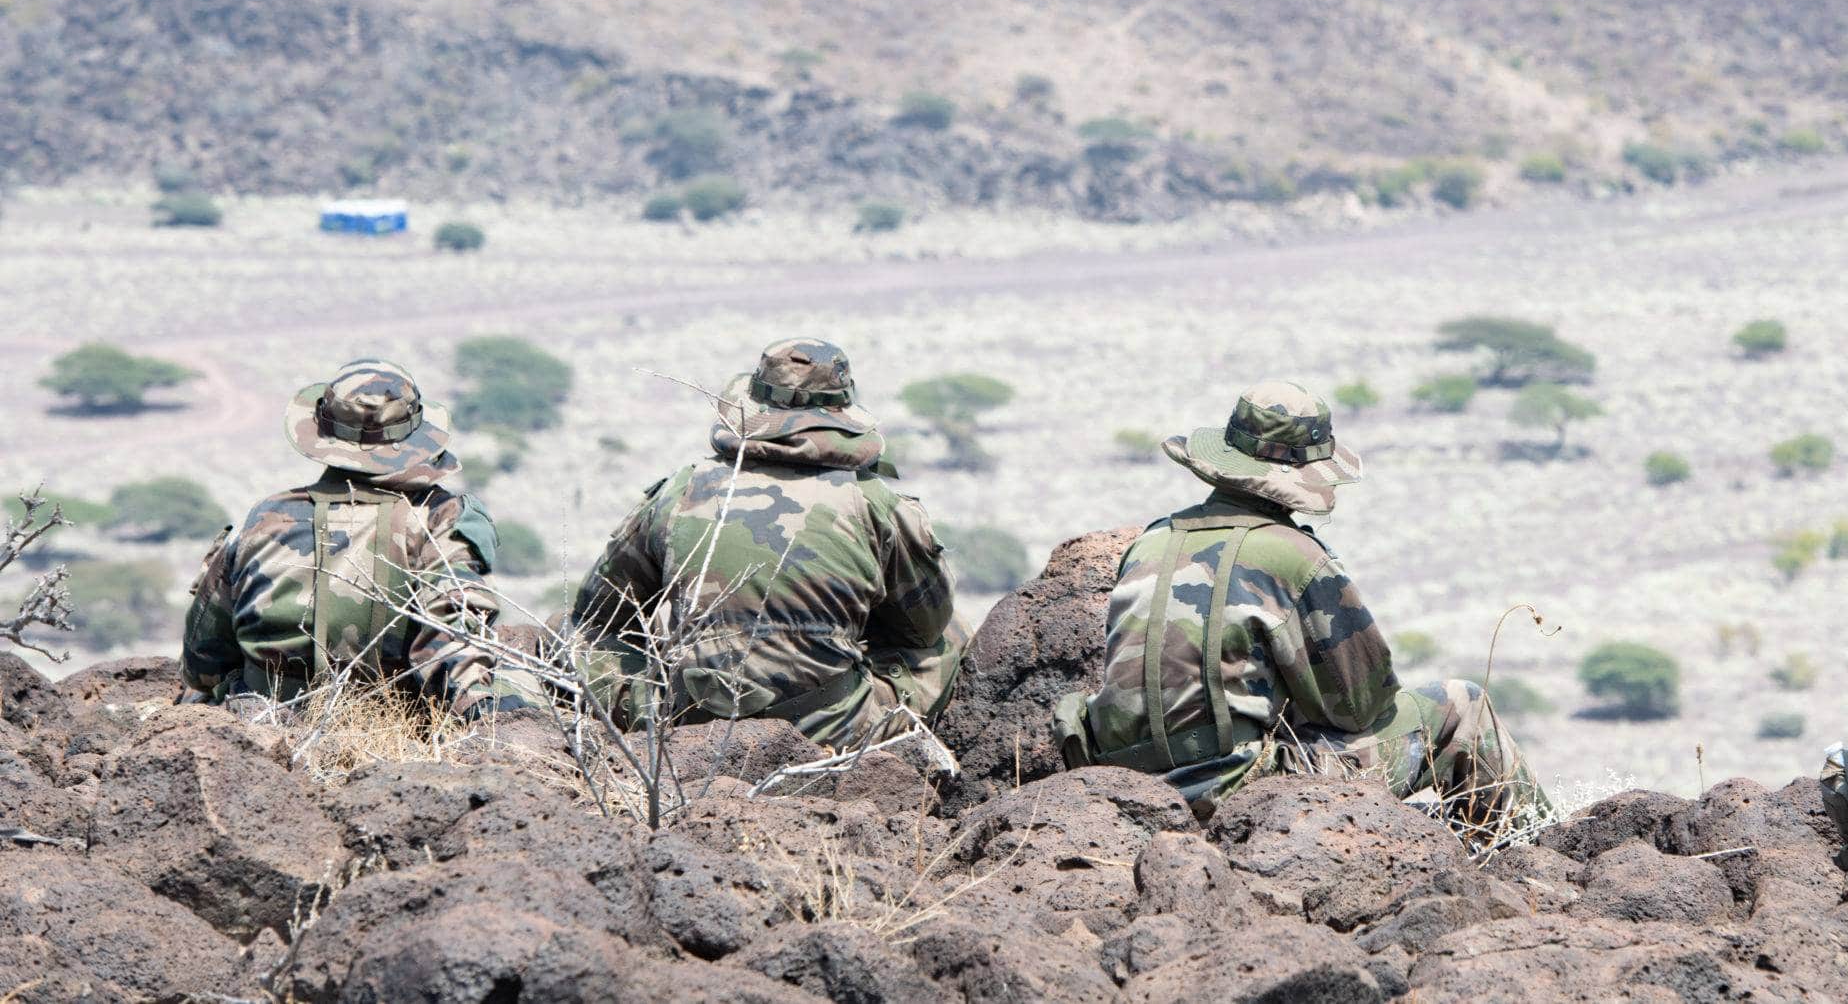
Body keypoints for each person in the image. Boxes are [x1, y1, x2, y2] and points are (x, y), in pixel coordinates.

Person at [1053, 380, 1548, 825]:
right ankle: (1541, 857)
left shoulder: (1151, 540)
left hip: (1126, 786)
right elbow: (1361, 706)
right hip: (1236, 788)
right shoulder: (1295, 555)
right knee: (1463, 707)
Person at [566, 337, 967, 745]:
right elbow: (922, 628)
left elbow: (600, 612)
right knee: (950, 636)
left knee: (576, 636)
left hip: (689, 722)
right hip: (831, 730)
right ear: (841, 411)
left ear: (751, 405)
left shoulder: (681, 490)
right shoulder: (874, 502)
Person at [181, 359, 523, 717]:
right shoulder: (439, 517)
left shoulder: (264, 516)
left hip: (264, 718)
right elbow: (453, 643)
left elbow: (201, 665)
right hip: (393, 722)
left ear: (323, 434)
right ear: (414, 437)